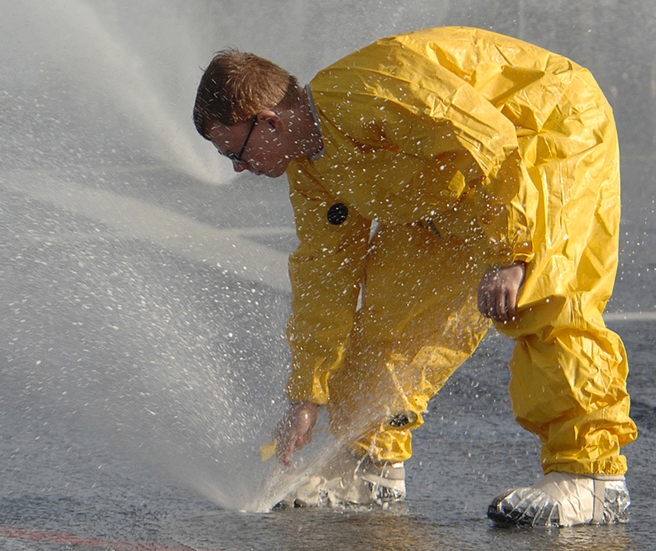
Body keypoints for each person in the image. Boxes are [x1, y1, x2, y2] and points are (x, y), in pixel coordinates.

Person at [192, 26, 636, 527]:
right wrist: (307, 394)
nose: (237, 168)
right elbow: (325, 278)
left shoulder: (369, 89)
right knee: (393, 312)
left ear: (268, 120)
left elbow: (488, 141)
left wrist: (512, 252)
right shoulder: (311, 170)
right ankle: (371, 465)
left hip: (548, 129)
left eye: (237, 152)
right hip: (455, 188)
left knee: (545, 296)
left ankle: (591, 477)